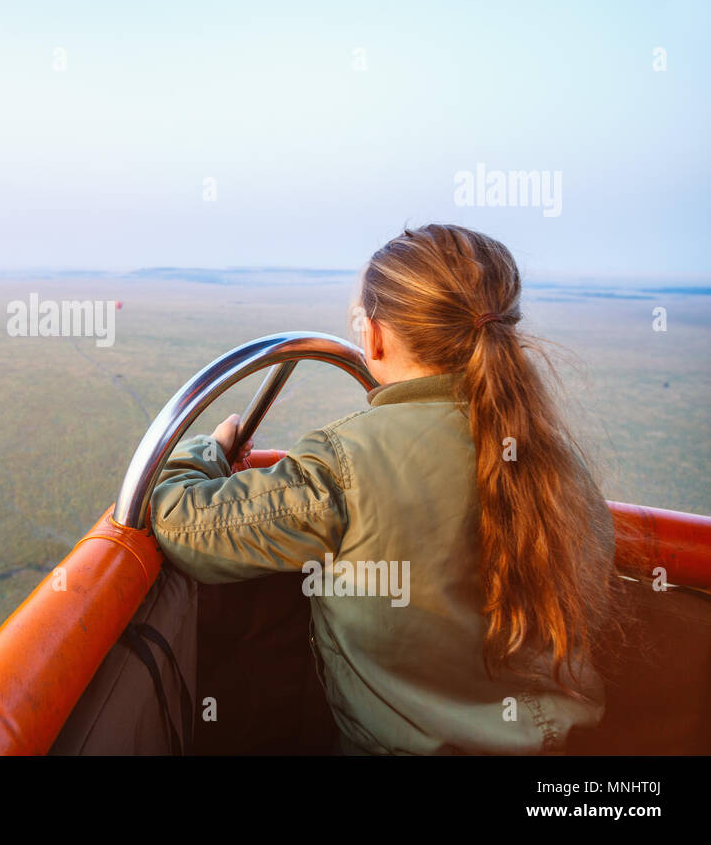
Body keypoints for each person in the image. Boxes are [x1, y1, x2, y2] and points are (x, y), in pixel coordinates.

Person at [151, 224, 623, 754]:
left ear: (374, 336)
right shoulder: (559, 463)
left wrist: (206, 451)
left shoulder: (343, 463)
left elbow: (179, 523)